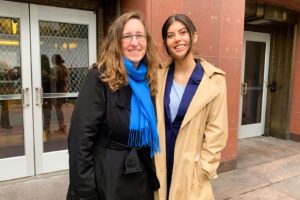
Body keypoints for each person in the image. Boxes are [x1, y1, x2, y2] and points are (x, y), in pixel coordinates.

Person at [67, 11, 160, 200]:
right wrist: (85, 191)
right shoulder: (99, 77)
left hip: (140, 178)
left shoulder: (148, 79)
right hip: (108, 179)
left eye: (140, 35)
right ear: (116, 42)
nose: (135, 42)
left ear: (147, 41)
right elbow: (80, 140)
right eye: (126, 36)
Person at [154, 14, 228, 200]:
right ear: (165, 43)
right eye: (170, 36)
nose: (177, 39)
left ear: (194, 36)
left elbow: (217, 131)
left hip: (191, 173)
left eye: (182, 32)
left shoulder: (214, 79)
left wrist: (203, 169)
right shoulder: (158, 75)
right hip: (160, 165)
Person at [51, 54, 68, 134]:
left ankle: (62, 126)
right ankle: (61, 126)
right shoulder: (63, 68)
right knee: (59, 109)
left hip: (57, 90)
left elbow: (55, 79)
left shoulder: (56, 69)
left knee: (58, 109)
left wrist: (49, 76)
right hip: (61, 90)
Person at [41, 54, 52, 137]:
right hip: (48, 92)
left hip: (44, 92)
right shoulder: (50, 70)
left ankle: (44, 129)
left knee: (42, 111)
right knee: (47, 111)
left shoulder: (39, 71)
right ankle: (46, 129)